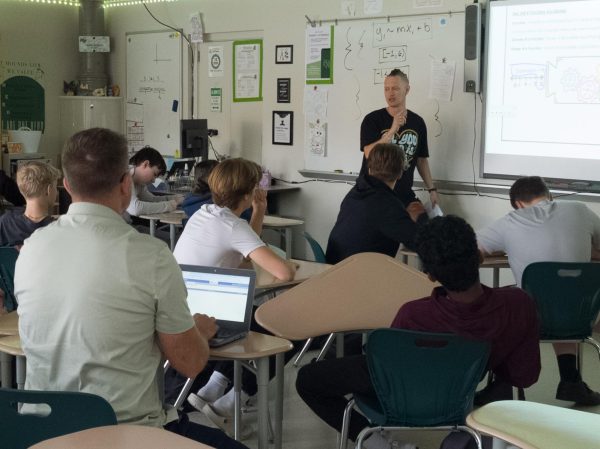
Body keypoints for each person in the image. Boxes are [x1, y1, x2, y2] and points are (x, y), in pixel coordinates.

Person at [15, 128, 248, 449]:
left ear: (66, 186)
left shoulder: (30, 247)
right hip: (125, 431)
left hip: (42, 431)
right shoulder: (150, 256)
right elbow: (190, 363)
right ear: (126, 184)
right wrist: (199, 331)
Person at [297, 215, 541, 449]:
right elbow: (524, 376)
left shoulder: (413, 314)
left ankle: (374, 441)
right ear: (478, 257)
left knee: (308, 379)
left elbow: (390, 376)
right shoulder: (518, 304)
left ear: (430, 274)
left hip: (403, 397)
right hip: (459, 392)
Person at [173, 158, 296, 435]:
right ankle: (232, 402)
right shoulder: (232, 226)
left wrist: (259, 211)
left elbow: (243, 249)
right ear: (249, 191)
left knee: (254, 316)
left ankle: (212, 389)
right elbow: (284, 274)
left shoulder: (205, 213)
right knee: (286, 330)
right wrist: (286, 264)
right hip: (211, 315)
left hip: (185, 307)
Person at [477, 175, 600, 405]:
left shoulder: (511, 221)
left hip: (530, 318)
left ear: (518, 205)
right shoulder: (581, 210)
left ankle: (501, 385)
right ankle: (571, 381)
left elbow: (472, 247)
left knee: (506, 300)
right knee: (561, 294)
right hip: (581, 317)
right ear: (549, 196)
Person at [326, 143, 428, 265]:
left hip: (334, 267)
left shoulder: (356, 192)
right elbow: (420, 242)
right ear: (400, 173)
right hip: (355, 274)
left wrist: (403, 216)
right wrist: (421, 218)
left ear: (369, 169)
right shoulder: (387, 205)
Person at [360, 69, 437, 207]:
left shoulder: (418, 122)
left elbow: (421, 159)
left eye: (395, 88)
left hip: (403, 194)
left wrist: (431, 189)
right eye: (386, 89)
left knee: (422, 222)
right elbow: (368, 153)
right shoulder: (372, 119)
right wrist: (392, 130)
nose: (390, 93)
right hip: (373, 193)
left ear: (407, 90)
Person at [0, 161, 59, 247]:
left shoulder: (5, 222)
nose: (56, 192)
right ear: (49, 190)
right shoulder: (56, 227)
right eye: (56, 187)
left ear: (21, 190)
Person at [125, 146, 184, 219]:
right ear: (145, 164)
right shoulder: (125, 175)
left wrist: (173, 198)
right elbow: (135, 208)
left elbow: (150, 199)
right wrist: (170, 205)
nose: (153, 181)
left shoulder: (139, 182)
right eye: (154, 174)